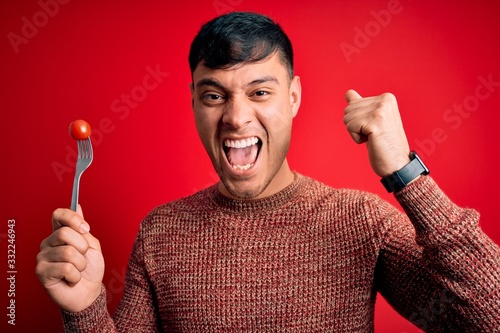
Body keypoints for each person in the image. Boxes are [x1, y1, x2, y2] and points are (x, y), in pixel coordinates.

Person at [36, 11, 500, 332]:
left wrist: (406, 174)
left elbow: (490, 318)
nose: (236, 118)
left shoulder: (359, 222)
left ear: (293, 97)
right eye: (215, 95)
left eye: (259, 92)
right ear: (195, 102)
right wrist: (85, 309)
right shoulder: (161, 232)